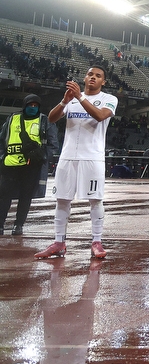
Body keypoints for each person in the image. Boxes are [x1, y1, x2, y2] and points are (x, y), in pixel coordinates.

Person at [34, 66, 118, 259]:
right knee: (62, 199)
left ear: (103, 82)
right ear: (85, 77)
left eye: (98, 76)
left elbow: (100, 116)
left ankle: (96, 241)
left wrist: (80, 97)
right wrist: (65, 101)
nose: (93, 78)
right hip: (68, 156)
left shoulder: (109, 99)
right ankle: (59, 242)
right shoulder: (72, 99)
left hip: (92, 157)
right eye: (90, 74)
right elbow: (51, 119)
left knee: (95, 199)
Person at [1, 94, 57, 235]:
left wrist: (42, 157)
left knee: (25, 197)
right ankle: (0, 225)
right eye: (30, 105)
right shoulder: (12, 119)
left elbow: (53, 144)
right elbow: (1, 139)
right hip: (9, 164)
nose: (32, 108)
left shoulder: (45, 120)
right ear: (24, 105)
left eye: (35, 106)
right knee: (3, 196)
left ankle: (18, 225)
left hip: (31, 166)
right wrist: (1, 157)